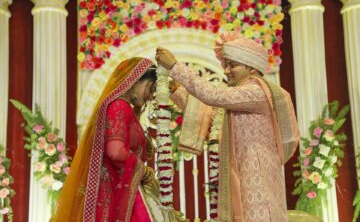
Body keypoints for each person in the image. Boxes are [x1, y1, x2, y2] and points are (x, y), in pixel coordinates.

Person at [156, 32, 300, 222]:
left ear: (251, 67)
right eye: (226, 65)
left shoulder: (257, 91)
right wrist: (177, 91)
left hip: (258, 176)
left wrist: (175, 67)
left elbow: (214, 96)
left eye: (232, 65)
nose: (226, 71)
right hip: (242, 173)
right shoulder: (240, 98)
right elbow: (210, 113)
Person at [51, 57, 184, 222]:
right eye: (150, 88)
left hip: (125, 192)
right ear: (134, 82)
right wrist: (144, 170)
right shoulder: (119, 106)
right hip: (119, 196)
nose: (151, 97)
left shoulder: (123, 108)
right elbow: (115, 151)